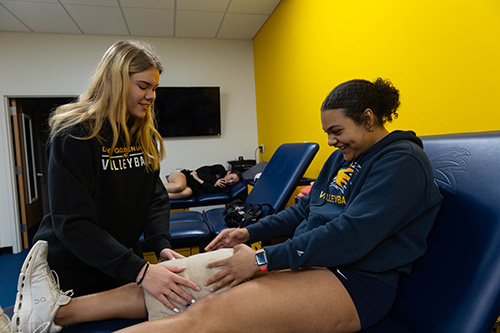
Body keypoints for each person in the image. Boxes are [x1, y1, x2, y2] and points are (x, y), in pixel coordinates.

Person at [13, 78, 443, 332]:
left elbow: (352, 237)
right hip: (312, 261)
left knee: (211, 312)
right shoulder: (341, 159)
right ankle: (51, 315)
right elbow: (308, 214)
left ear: (369, 118)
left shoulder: (402, 163)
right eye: (328, 133)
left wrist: (258, 261)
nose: (331, 142)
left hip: (355, 282)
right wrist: (249, 233)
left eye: (337, 131)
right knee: (176, 275)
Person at [11, 40, 202, 333]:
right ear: (116, 81)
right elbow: (72, 222)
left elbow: (155, 199)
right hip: (73, 263)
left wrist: (161, 246)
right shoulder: (75, 134)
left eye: (155, 88)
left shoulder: (144, 135)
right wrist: (139, 270)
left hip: (117, 261)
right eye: (143, 86)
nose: (151, 96)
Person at [165, 165, 242, 200]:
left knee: (188, 192)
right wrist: (214, 181)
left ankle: (157, 196)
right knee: (179, 186)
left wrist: (198, 179)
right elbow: (201, 171)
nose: (230, 181)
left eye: (233, 182)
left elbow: (210, 190)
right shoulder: (219, 169)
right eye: (231, 178)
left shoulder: (223, 187)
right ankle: (154, 189)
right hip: (184, 175)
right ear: (229, 172)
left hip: (189, 187)